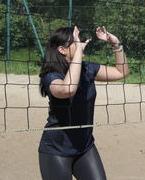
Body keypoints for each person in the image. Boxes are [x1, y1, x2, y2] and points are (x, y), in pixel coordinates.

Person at [38, 26, 129, 180]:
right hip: (56, 149)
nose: (80, 43)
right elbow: (68, 89)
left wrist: (116, 44)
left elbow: (121, 72)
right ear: (62, 49)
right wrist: (79, 53)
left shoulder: (88, 69)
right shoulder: (51, 75)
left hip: (85, 147)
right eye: (75, 41)